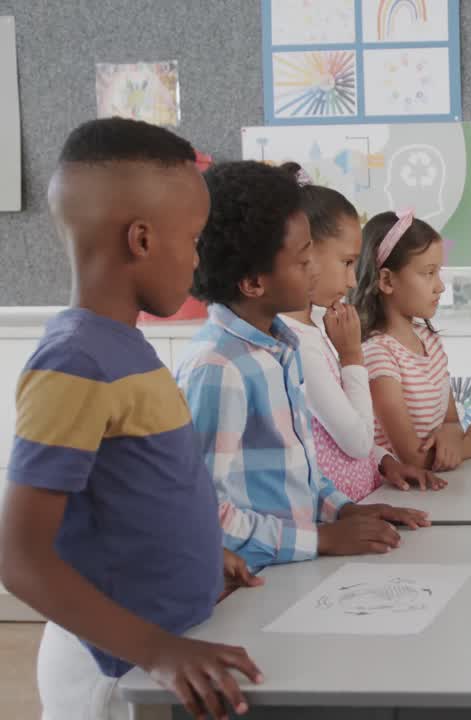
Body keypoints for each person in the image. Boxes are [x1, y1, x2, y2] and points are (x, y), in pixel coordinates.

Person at [0, 118, 262, 720]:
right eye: (194, 238)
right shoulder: (74, 362)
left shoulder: (123, 348)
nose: (199, 259)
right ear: (141, 240)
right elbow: (20, 558)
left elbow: (132, 490)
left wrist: (196, 552)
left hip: (153, 652)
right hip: (111, 672)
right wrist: (156, 650)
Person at [178, 161, 428, 573]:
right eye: (302, 259)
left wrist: (344, 511)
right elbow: (206, 516)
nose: (315, 268)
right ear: (254, 282)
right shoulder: (219, 369)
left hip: (293, 568)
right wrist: (322, 538)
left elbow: (299, 477)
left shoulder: (283, 346)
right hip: (251, 584)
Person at [277, 163, 442, 499]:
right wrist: (352, 356)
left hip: (361, 499)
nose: (353, 280)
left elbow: (343, 432)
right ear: (305, 253)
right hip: (339, 513)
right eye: (347, 263)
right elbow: (356, 439)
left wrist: (384, 462)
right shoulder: (298, 346)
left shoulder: (313, 332)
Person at [353, 210, 471, 472]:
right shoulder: (378, 355)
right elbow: (413, 458)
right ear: (386, 280)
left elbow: (451, 420)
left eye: (438, 272)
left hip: (434, 492)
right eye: (429, 273)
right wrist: (470, 445)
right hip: (395, 494)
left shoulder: (429, 341)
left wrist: (451, 435)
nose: (440, 286)